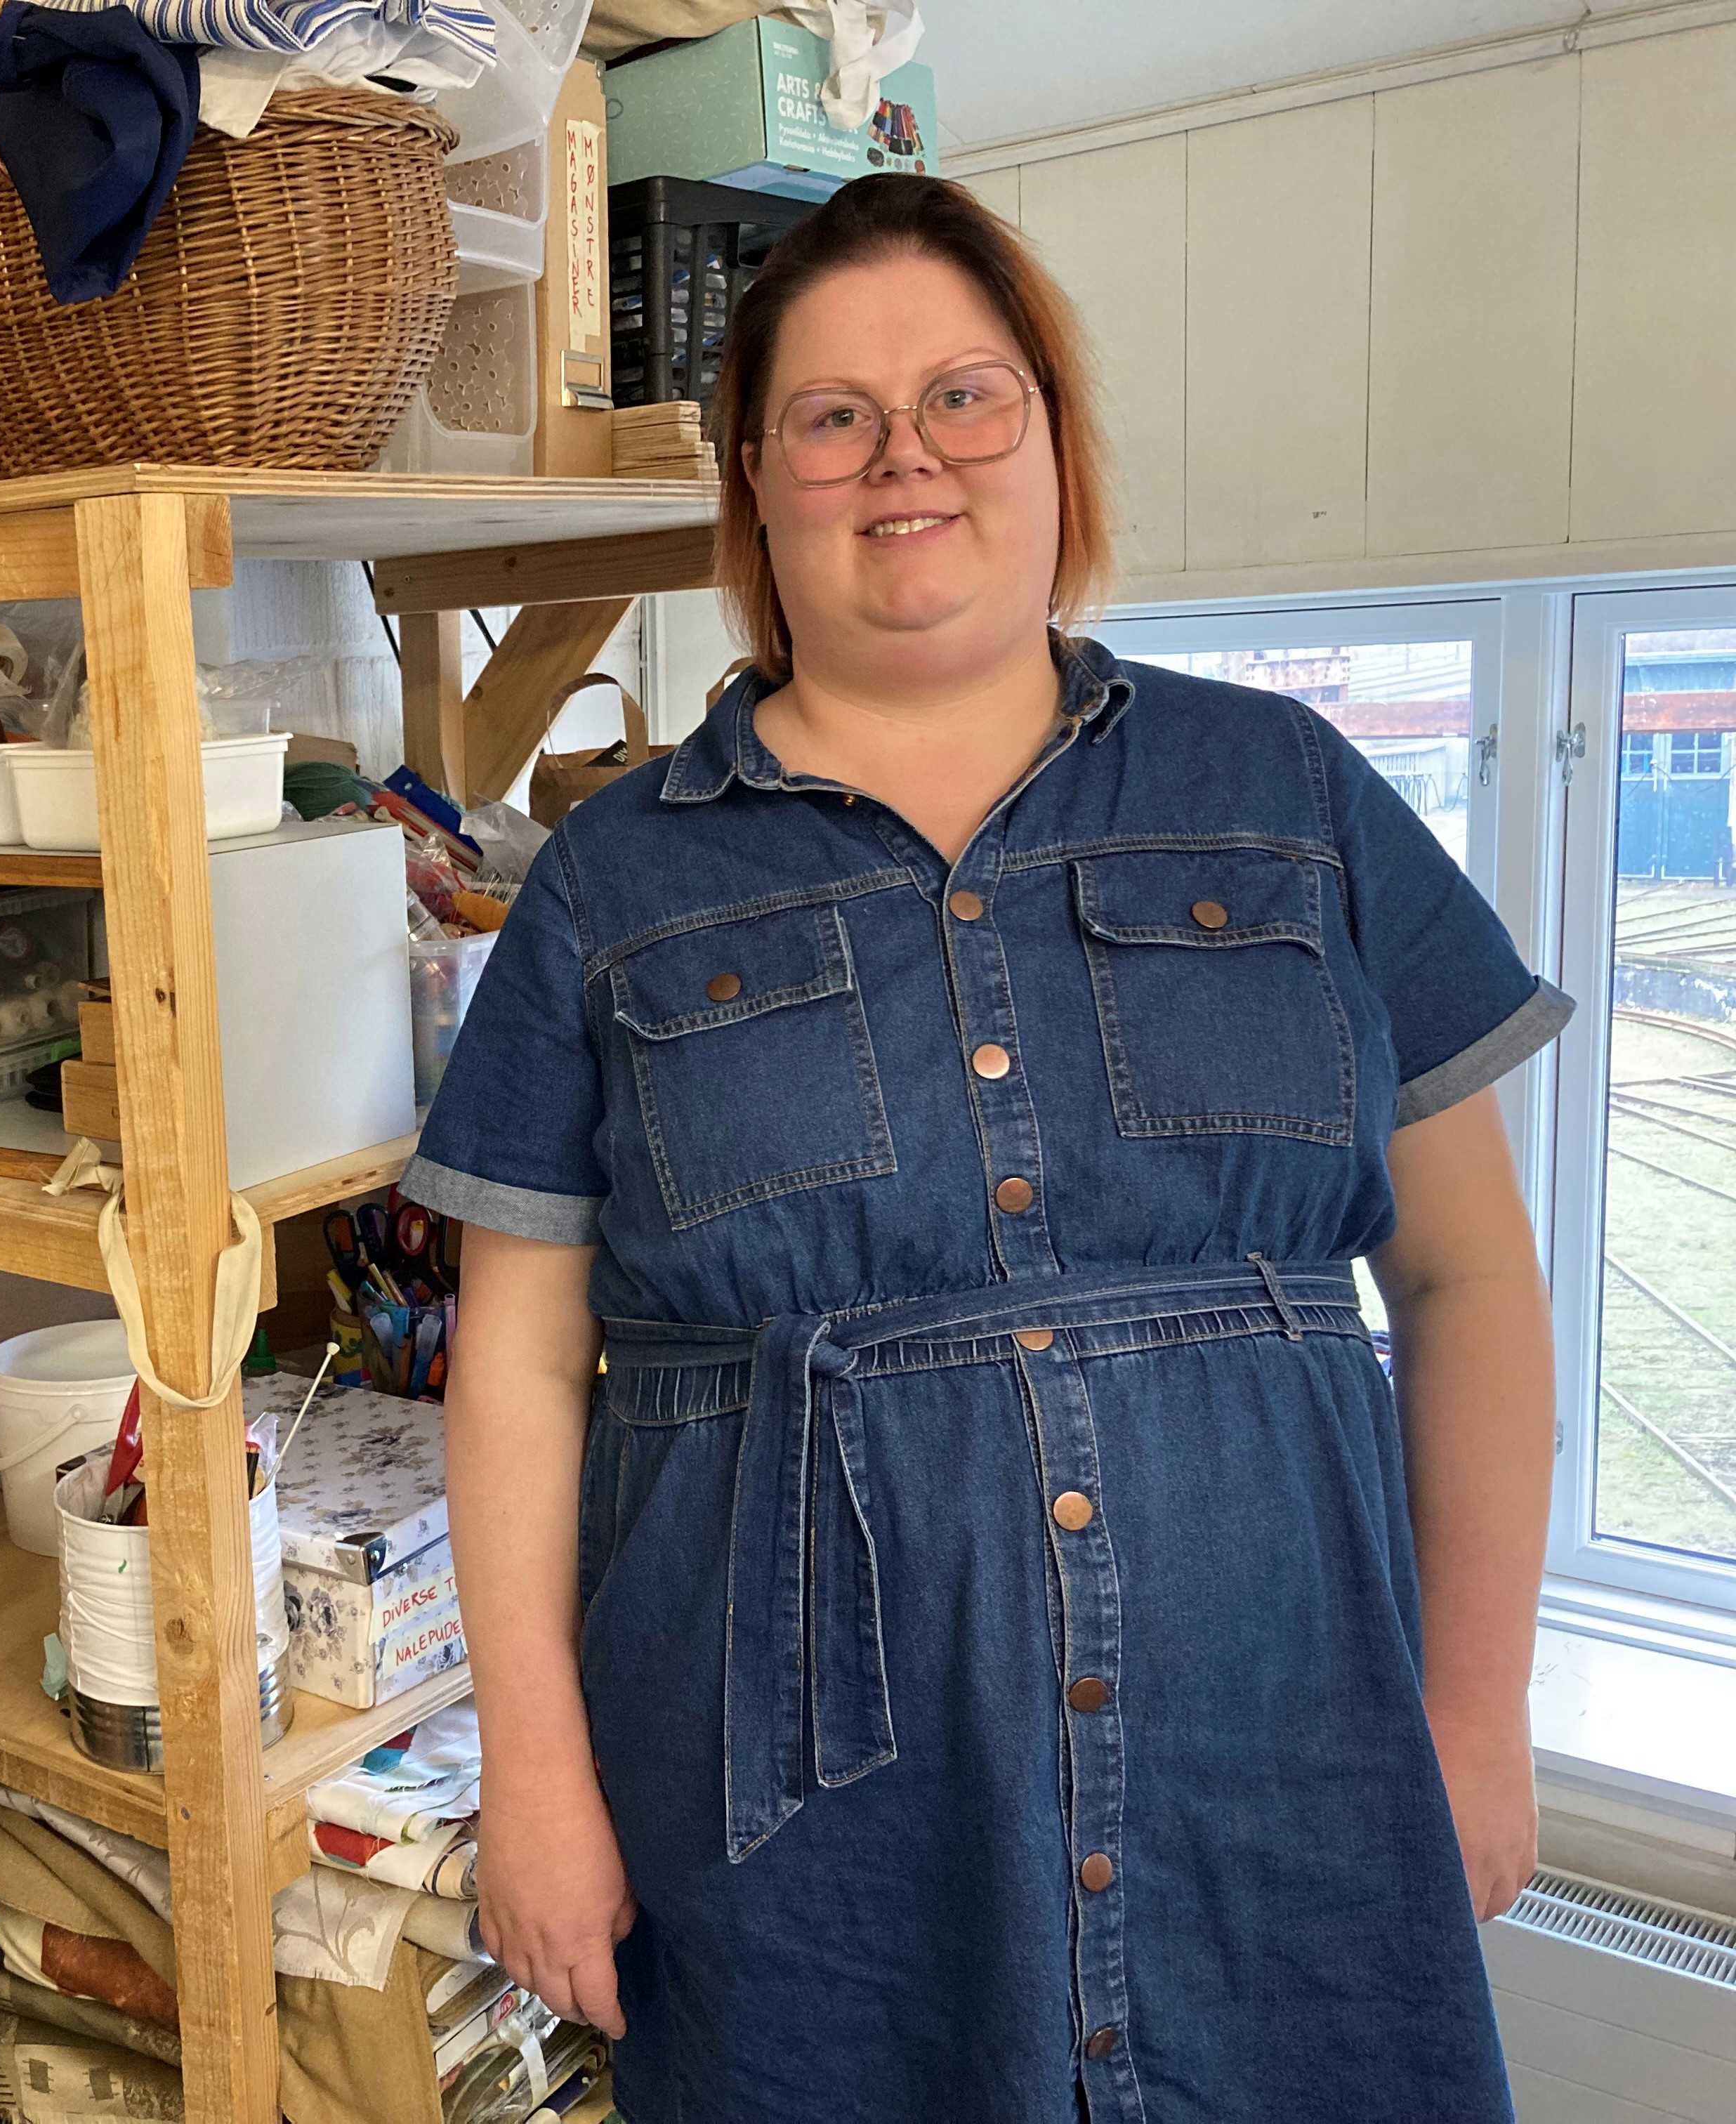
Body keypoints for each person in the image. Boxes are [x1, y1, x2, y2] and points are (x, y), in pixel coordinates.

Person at [402, 173, 1573, 2122]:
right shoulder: (611, 884)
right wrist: (535, 1782)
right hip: (809, 1850)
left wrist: (1476, 1708)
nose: (905, 458)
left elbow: (1468, 1283)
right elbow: (517, 1370)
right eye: (832, 416)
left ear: (1050, 433)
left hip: (1288, 1780)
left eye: (965, 396)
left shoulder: (1288, 796)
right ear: (755, 479)